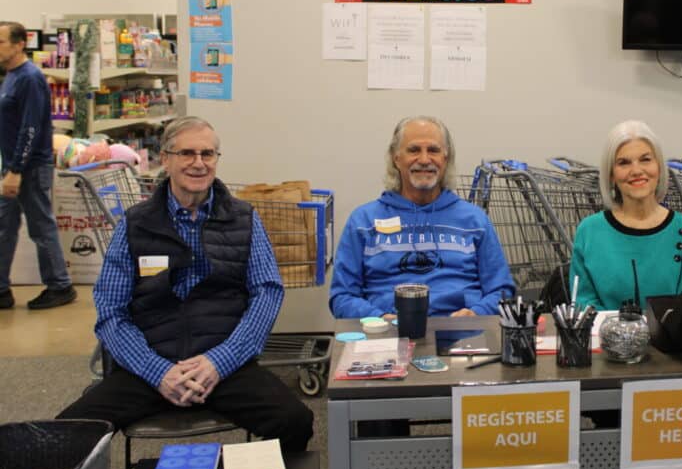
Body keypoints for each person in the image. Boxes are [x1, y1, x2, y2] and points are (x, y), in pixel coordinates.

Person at [58, 117, 313, 451]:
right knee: (63, 435)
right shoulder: (135, 225)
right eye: (187, 153)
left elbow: (267, 293)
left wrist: (218, 362)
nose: (198, 163)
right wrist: (158, 372)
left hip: (224, 366)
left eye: (208, 154)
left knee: (295, 421)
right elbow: (110, 311)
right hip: (149, 367)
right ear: (165, 159)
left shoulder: (244, 218)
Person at [330, 115, 515, 319]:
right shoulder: (363, 221)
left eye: (434, 150)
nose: (425, 160)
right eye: (414, 150)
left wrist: (476, 313)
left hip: (463, 336)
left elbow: (502, 291)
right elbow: (342, 297)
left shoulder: (475, 221)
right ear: (396, 157)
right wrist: (378, 318)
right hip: (386, 337)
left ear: (446, 158)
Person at [571, 120, 682, 311]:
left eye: (645, 159)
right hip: (606, 339)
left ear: (659, 168)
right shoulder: (589, 231)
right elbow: (583, 305)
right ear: (611, 175)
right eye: (624, 163)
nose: (636, 171)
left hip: (671, 341)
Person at [0, 21, 76, 310]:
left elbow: (30, 128)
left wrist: (16, 170)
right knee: (3, 227)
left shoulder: (30, 78)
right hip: (11, 167)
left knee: (41, 227)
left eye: (1, 41)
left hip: (29, 168)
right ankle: (1, 289)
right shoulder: (11, 76)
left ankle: (60, 285)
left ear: (20, 44)